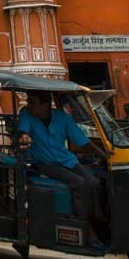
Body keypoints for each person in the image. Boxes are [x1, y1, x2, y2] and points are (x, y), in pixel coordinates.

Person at [16, 90, 108, 244]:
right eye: (29, 102)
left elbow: (83, 141)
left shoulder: (62, 118)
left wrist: (106, 157)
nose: (29, 106)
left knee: (93, 182)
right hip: (44, 162)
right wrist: (23, 137)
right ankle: (81, 222)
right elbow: (22, 131)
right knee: (78, 182)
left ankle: (97, 218)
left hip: (66, 159)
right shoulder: (26, 114)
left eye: (33, 103)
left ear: (45, 105)